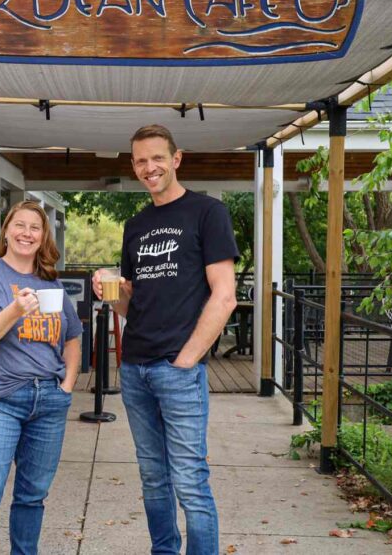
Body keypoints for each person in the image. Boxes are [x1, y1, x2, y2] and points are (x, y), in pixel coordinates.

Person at [92, 124, 238, 555]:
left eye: (157, 158)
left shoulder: (207, 213)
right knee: (153, 477)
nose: (149, 167)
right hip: (134, 368)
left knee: (190, 481)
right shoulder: (136, 225)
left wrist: (187, 359)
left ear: (176, 159)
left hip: (177, 370)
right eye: (140, 161)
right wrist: (109, 287)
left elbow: (224, 295)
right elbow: (131, 304)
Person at [0, 200, 82, 555]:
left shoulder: (52, 284)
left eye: (35, 228)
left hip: (49, 402)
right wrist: (15, 309)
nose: (27, 233)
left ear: (43, 237)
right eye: (20, 225)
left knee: (32, 497)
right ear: (6, 231)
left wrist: (67, 385)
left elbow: (73, 336)